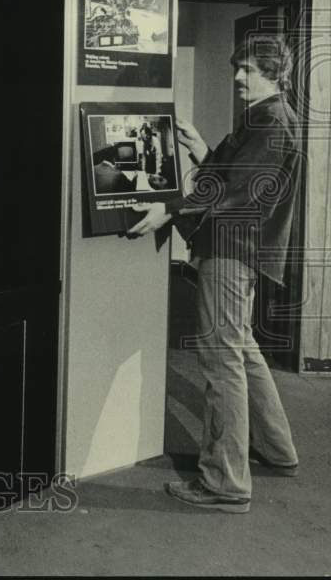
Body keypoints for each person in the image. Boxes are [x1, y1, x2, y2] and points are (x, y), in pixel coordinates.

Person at [127, 33, 301, 514]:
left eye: (248, 69)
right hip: (239, 250)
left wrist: (167, 210)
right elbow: (232, 179)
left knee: (220, 359)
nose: (238, 77)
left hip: (231, 250)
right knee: (241, 349)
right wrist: (203, 149)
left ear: (275, 73)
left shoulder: (270, 124)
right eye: (237, 68)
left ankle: (225, 482)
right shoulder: (263, 120)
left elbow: (235, 197)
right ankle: (277, 448)